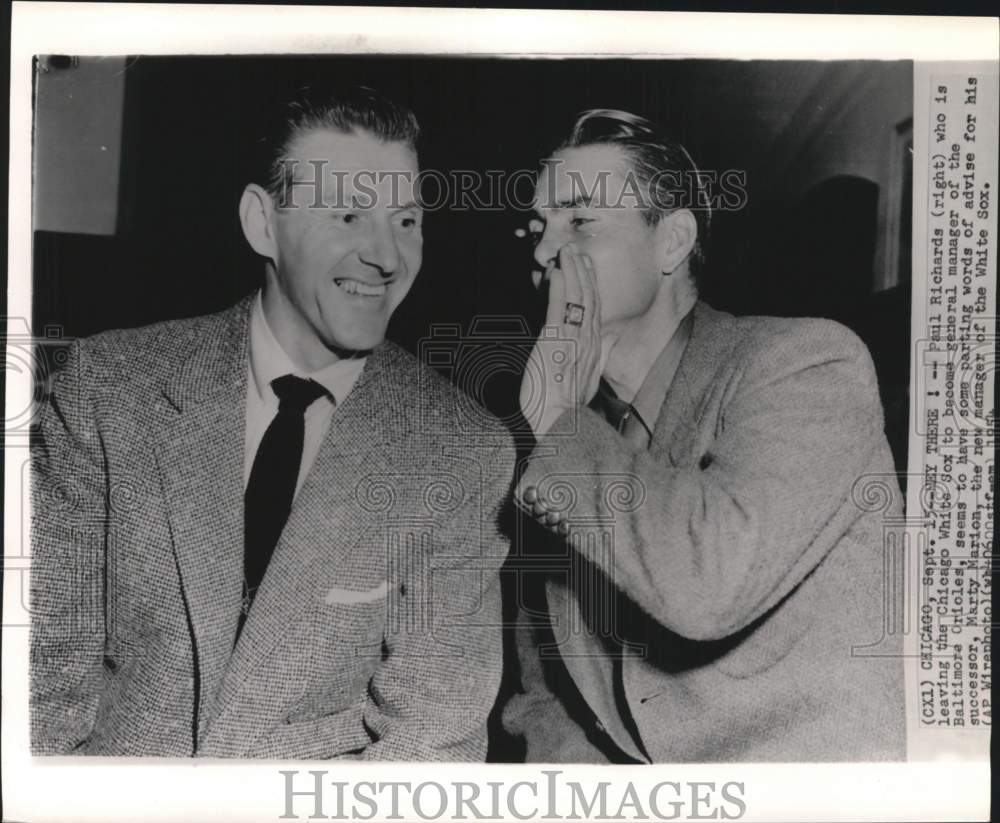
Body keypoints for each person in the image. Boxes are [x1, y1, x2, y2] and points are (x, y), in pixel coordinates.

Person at [30, 84, 514, 759]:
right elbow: (36, 695)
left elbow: (432, 742)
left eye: (406, 220)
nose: (387, 256)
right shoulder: (108, 390)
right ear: (263, 223)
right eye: (348, 215)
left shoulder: (459, 451)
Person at [502, 109, 905, 762]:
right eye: (537, 226)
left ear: (672, 241)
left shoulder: (808, 365)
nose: (544, 249)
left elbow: (711, 583)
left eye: (578, 221)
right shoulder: (564, 446)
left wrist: (554, 421)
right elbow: (547, 693)